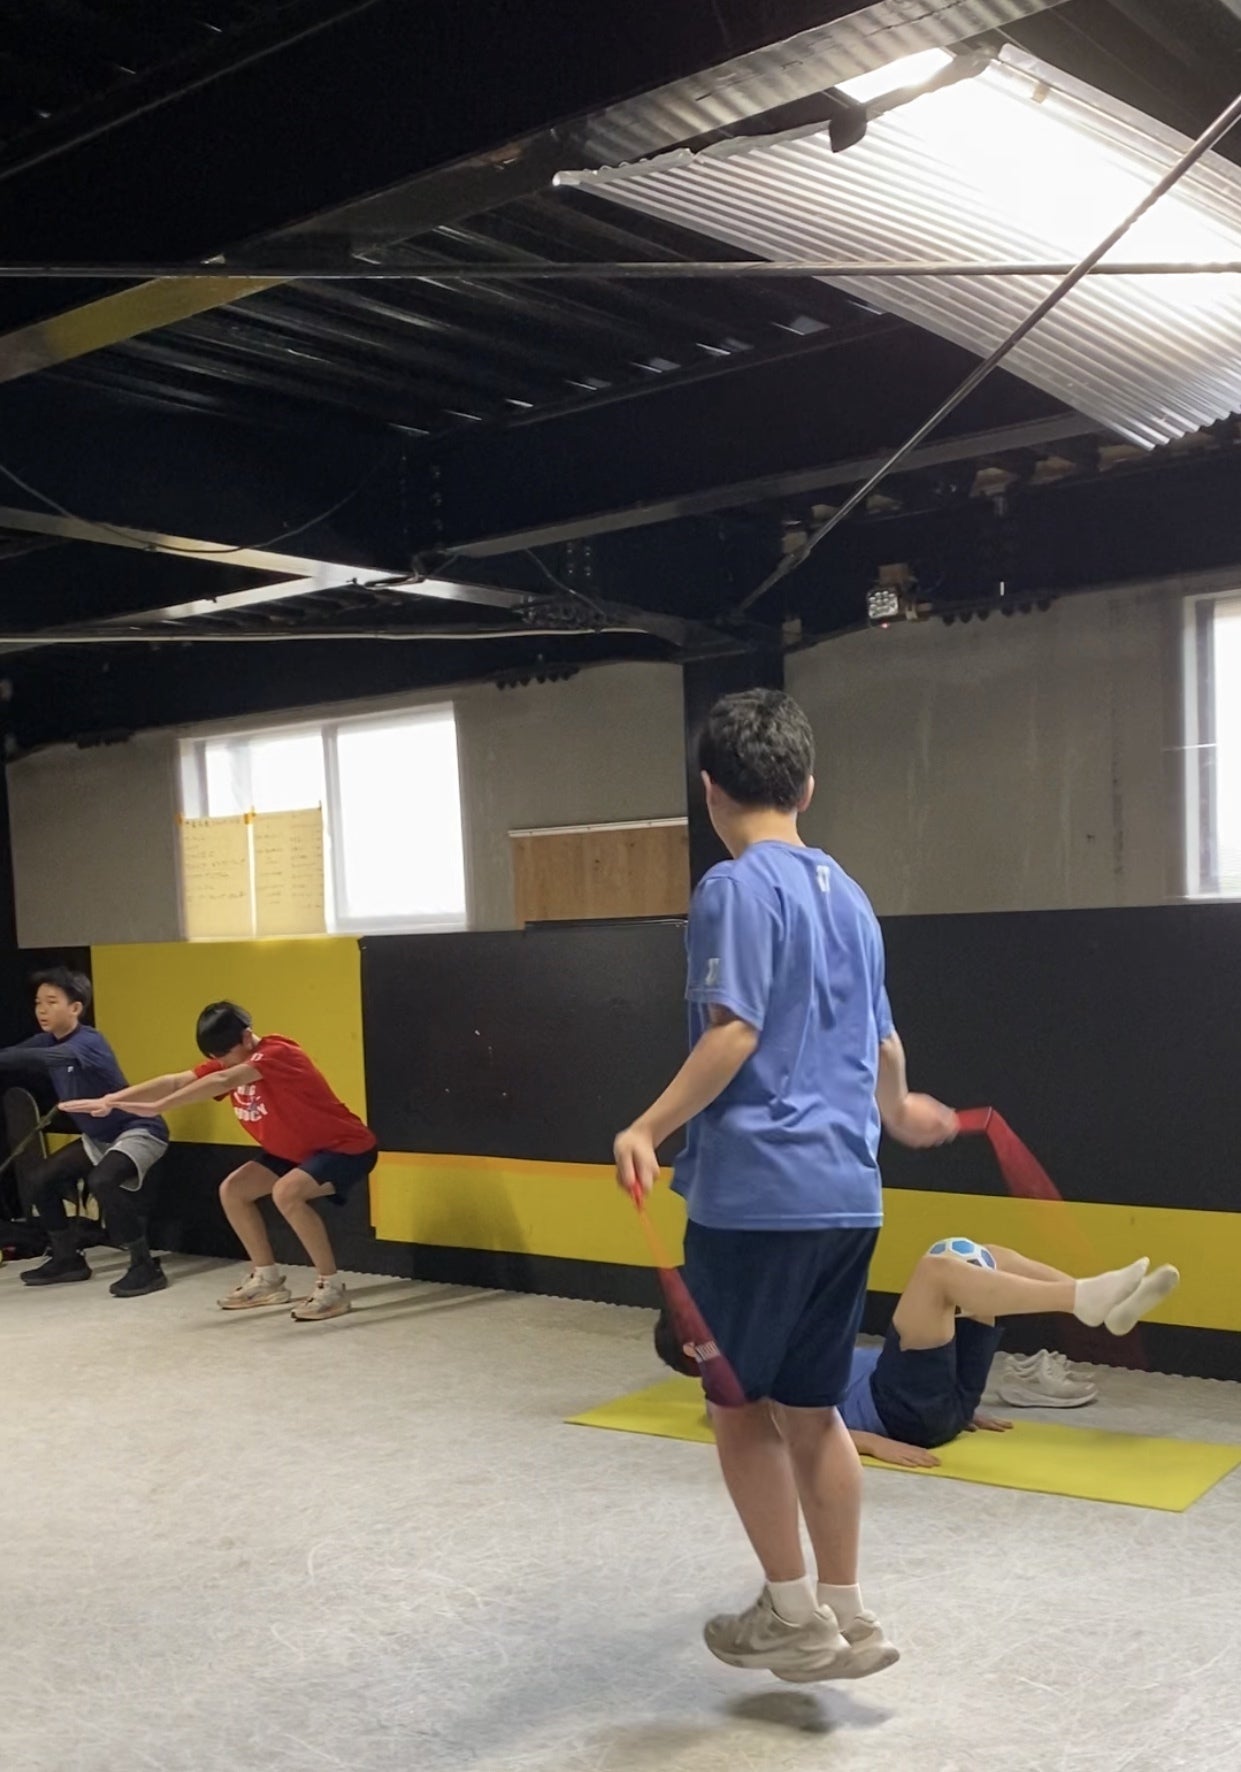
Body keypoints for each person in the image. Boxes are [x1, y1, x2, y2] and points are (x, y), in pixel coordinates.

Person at [613, 687, 957, 1687]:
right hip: (848, 1193)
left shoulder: (731, 887)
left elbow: (734, 1030)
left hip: (756, 1197)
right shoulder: (848, 895)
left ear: (708, 790)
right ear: (806, 785)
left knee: (735, 1408)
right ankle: (847, 1612)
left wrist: (646, 1126)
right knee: (812, 1409)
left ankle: (792, 1616)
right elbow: (883, 1043)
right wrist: (897, 1112)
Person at [655, 1239, 1180, 1468]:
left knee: (980, 1254)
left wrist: (956, 1403)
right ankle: (1082, 1301)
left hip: (933, 1399)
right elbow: (786, 1436)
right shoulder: (725, 1393)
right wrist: (872, 1445)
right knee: (936, 1272)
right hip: (901, 1411)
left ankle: (1106, 1307)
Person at [62, 1001, 376, 1322]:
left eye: (226, 1054)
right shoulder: (228, 1061)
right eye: (217, 1057)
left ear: (247, 1037)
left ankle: (331, 1287)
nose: (221, 1062)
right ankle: (267, 1279)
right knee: (234, 1190)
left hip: (346, 1147)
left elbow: (223, 1081)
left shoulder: (278, 1053)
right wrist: (112, 1100)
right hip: (294, 1152)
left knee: (287, 1193)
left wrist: (159, 1107)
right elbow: (176, 1081)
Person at [0, 968, 170, 1297]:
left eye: (52, 1002)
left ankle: (145, 1266)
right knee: (38, 1180)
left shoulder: (89, 1041)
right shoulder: (48, 1040)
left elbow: (39, 1057)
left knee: (102, 1180)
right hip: (98, 1138)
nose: (41, 1010)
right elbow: (12, 1056)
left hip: (139, 1129)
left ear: (75, 1008)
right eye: (38, 1002)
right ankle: (67, 1260)